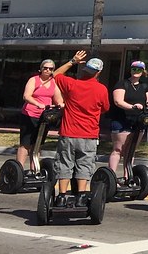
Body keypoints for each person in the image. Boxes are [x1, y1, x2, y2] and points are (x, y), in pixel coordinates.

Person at [52, 53, 111, 197]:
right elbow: (105, 108)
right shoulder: (101, 89)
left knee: (65, 164)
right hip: (88, 134)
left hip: (68, 133)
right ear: (98, 73)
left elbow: (55, 74)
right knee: (84, 165)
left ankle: (62, 196)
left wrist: (73, 61)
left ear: (85, 70)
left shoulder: (72, 84)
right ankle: (81, 195)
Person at [16, 56, 78, 170]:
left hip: (44, 117)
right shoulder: (34, 80)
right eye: (45, 68)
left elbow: (58, 99)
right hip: (29, 115)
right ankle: (18, 170)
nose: (48, 70)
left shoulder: (54, 83)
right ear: (41, 69)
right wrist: (37, 104)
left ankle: (34, 170)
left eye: (50, 68)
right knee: (25, 144)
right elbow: (26, 96)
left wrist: (62, 105)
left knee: (38, 144)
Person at [107, 60, 148, 172]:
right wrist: (132, 107)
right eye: (134, 69)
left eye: (139, 69)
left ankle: (128, 177)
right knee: (118, 149)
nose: (136, 71)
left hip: (138, 121)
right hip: (122, 120)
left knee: (130, 150)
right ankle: (111, 176)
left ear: (143, 72)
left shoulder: (145, 86)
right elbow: (118, 101)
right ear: (130, 70)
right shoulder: (122, 84)